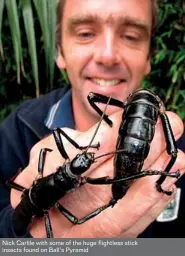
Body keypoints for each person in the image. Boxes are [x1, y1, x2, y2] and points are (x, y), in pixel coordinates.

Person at [0, 0, 185, 238]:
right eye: (85, 33)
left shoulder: (177, 148)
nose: (108, 57)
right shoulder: (16, 134)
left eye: (130, 36)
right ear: (60, 52)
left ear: (149, 57)